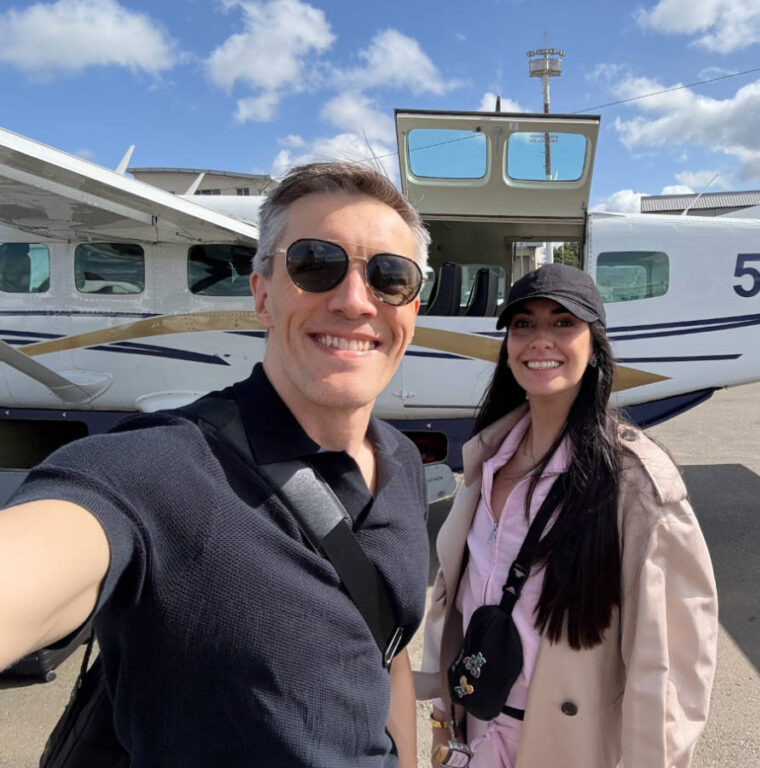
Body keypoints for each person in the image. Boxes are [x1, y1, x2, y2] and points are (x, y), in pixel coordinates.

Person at [0, 162, 432, 767]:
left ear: (411, 308)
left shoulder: (402, 461)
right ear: (261, 294)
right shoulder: (153, 469)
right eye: (314, 264)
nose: (356, 301)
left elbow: (383, 650)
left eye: (390, 276)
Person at [418, 263, 718, 768]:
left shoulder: (634, 484)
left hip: (565, 743)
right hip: (477, 728)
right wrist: (443, 715)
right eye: (523, 325)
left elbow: (668, 667)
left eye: (563, 323)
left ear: (595, 345)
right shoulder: (486, 462)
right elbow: (456, 604)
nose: (540, 340)